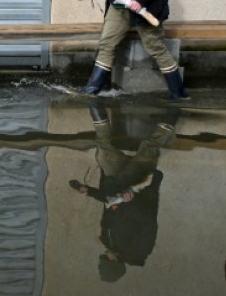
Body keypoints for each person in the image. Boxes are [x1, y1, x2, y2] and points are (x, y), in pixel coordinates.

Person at [69, 100, 179, 282]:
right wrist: (131, 200)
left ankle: (97, 109)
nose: (104, 253)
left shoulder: (107, 238)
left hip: (116, 180)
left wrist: (87, 190)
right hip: (139, 182)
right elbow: (148, 220)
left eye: (102, 257)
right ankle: (173, 113)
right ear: (117, 262)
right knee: (149, 147)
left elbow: (110, 203)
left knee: (102, 154)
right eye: (106, 258)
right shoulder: (140, 249)